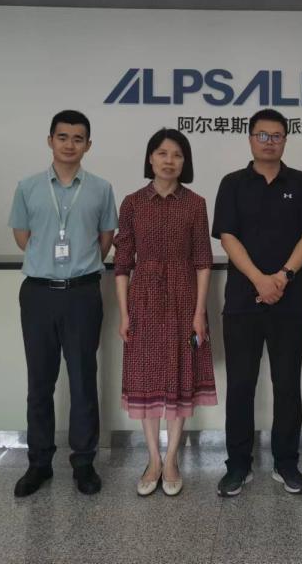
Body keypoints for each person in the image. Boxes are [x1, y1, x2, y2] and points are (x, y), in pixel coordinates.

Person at [211, 108, 302, 497]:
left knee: (287, 384)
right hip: (242, 302)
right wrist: (260, 279)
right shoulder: (232, 184)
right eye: (262, 135)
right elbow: (227, 236)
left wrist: (283, 277)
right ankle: (238, 465)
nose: (269, 142)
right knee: (241, 385)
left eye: (276, 136)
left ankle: (286, 463)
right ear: (250, 138)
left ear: (285, 140)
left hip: (288, 303)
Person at [8, 110, 118, 497]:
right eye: (62, 137)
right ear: (50, 140)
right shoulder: (28, 187)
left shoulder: (101, 189)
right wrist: (51, 263)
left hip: (82, 293)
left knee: (83, 379)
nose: (70, 144)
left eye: (78, 138)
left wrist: (75, 266)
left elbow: (105, 239)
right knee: (39, 381)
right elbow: (23, 237)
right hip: (38, 293)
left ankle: (84, 463)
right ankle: (39, 463)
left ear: (88, 145)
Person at [113, 128, 216, 498]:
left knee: (180, 378)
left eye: (177, 154)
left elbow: (203, 261)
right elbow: (122, 263)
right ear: (150, 158)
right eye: (162, 153)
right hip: (143, 299)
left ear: (185, 162)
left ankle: (172, 459)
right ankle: (152, 460)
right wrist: (124, 314)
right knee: (146, 380)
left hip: (185, 299)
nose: (169, 160)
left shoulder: (196, 204)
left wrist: (199, 313)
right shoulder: (132, 203)